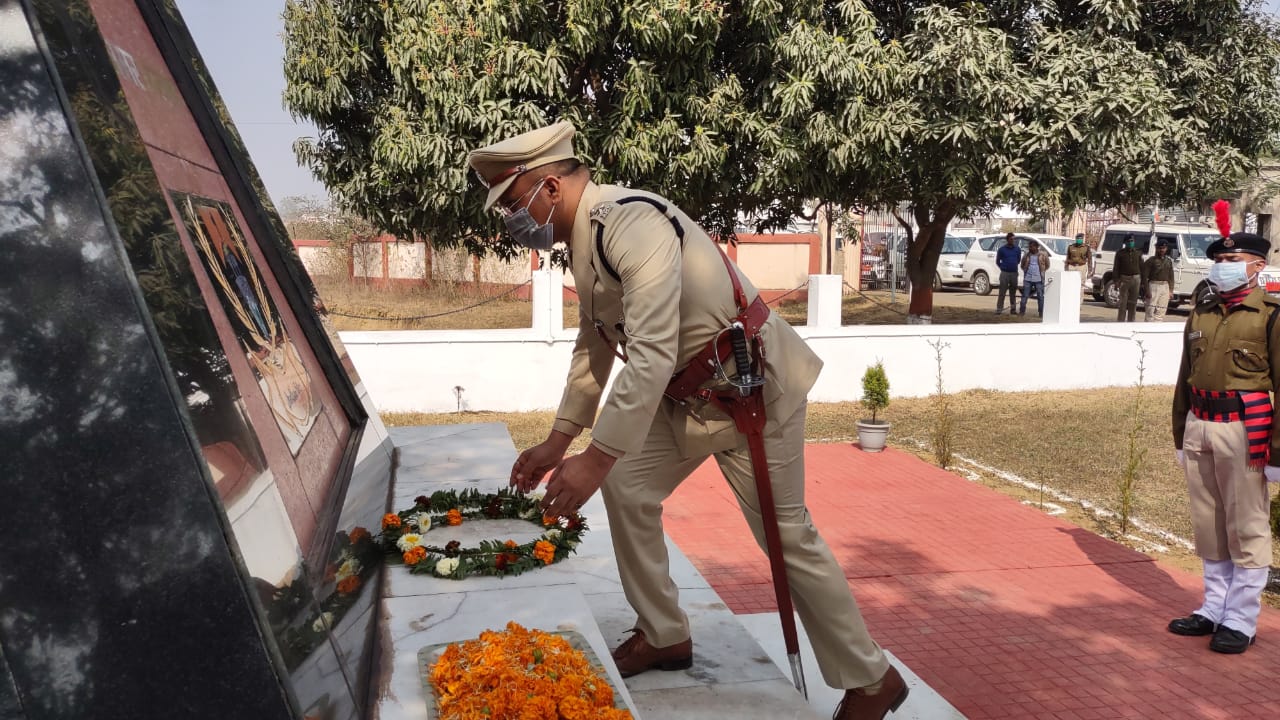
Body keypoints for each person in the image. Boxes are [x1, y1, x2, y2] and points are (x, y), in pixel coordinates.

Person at [470, 122, 908, 718]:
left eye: (513, 203)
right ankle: (665, 632)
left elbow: (648, 350)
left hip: (755, 390)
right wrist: (558, 442)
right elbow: (596, 343)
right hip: (690, 396)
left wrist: (595, 457)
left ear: (549, 186)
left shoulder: (633, 222)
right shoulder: (583, 238)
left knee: (783, 537)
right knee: (627, 486)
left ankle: (871, 679)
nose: (512, 220)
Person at [1169, 231, 1280, 655]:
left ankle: (1241, 618)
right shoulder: (1202, 312)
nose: (1223, 264)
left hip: (1244, 427)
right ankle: (1214, 607)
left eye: (1233, 258)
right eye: (1220, 258)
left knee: (1246, 524)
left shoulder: (1270, 315)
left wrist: (1278, 451)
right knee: (1208, 521)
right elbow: (1185, 377)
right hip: (1201, 420)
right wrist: (1181, 433)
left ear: (1256, 266)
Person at [1142, 240, 1174, 322]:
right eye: (1160, 248)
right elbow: (1144, 277)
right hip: (1153, 285)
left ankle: (1156, 329)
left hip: (1165, 286)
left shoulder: (1169, 261)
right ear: (1156, 248)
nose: (1162, 250)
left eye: (1164, 248)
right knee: (1150, 311)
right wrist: (1147, 291)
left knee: (1161, 311)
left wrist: (1171, 290)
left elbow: (1171, 277)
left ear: (1166, 249)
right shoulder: (1151, 261)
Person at [1114, 234, 1142, 321]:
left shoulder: (1138, 252)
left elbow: (1142, 266)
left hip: (1136, 279)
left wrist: (1143, 281)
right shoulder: (1120, 253)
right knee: (1123, 303)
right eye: (1129, 241)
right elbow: (1116, 268)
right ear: (1125, 243)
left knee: (1133, 303)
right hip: (1124, 279)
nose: (1131, 243)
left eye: (1132, 241)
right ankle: (1121, 322)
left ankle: (1131, 322)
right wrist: (1116, 281)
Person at [1018, 239, 1048, 317]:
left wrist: (1041, 272)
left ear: (1037, 247)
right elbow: (1022, 265)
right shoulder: (1026, 255)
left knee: (1040, 296)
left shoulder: (1043, 255)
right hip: (1028, 279)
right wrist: (1026, 271)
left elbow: (1047, 265)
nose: (1030, 248)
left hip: (1038, 279)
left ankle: (1041, 313)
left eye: (1032, 247)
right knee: (1025, 295)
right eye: (1029, 247)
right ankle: (1022, 311)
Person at [994, 233, 1021, 315]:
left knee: (1013, 293)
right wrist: (1003, 267)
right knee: (1002, 292)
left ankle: (1013, 309)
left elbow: (1018, 260)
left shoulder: (1017, 249)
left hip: (1014, 273)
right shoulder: (1002, 249)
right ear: (1008, 239)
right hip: (1004, 273)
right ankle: (999, 309)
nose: (1013, 241)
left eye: (1014, 239)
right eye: (1011, 239)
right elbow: (998, 261)